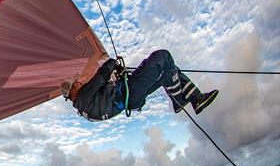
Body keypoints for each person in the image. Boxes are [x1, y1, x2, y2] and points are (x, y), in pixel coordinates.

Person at [64, 50, 218, 122]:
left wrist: (116, 75)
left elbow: (104, 88)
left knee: (169, 71)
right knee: (163, 56)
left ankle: (195, 99)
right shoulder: (83, 95)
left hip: (130, 99)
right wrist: (111, 63)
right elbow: (100, 77)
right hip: (128, 92)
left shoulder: (84, 106)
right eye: (76, 83)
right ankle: (180, 99)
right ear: (72, 92)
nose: (79, 82)